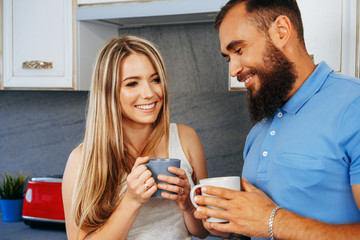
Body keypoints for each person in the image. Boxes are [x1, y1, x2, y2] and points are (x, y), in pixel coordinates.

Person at [193, 0, 360, 239]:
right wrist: (231, 225)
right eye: (228, 58)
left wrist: (272, 220)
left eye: (238, 50)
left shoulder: (354, 106)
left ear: (281, 31)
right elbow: (256, 226)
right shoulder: (259, 130)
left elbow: (266, 221)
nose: (233, 70)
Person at [62, 35, 209, 240]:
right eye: (132, 84)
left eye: (155, 79)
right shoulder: (81, 160)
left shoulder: (186, 138)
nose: (149, 93)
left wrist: (187, 204)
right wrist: (131, 200)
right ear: (108, 92)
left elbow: (202, 231)